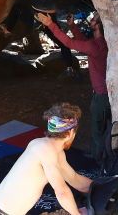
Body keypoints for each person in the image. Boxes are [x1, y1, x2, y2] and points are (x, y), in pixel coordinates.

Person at [0, 103, 91, 215]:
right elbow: (62, 192)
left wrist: (102, 187)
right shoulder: (46, 151)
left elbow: (74, 179)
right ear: (70, 133)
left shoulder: (47, 148)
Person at [36, 12, 111, 168]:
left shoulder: (95, 47)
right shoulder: (101, 43)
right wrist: (72, 25)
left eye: (95, 19)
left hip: (101, 96)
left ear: (97, 26)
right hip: (105, 94)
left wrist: (51, 25)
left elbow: (69, 43)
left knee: (99, 129)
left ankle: (100, 162)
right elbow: (82, 42)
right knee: (104, 126)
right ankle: (102, 156)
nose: (92, 20)